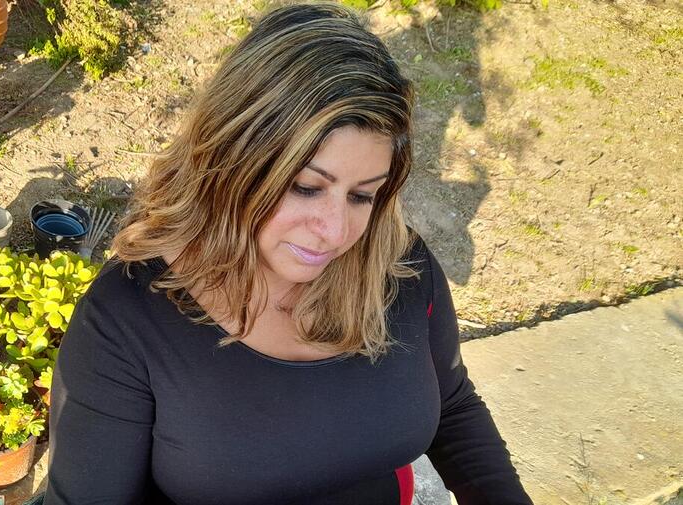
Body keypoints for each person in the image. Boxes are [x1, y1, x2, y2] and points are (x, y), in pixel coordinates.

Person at [44, 3, 533, 504]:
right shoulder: (126, 319)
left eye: (362, 195)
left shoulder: (399, 266)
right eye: (305, 187)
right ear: (231, 158)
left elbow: (453, 406)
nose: (335, 232)